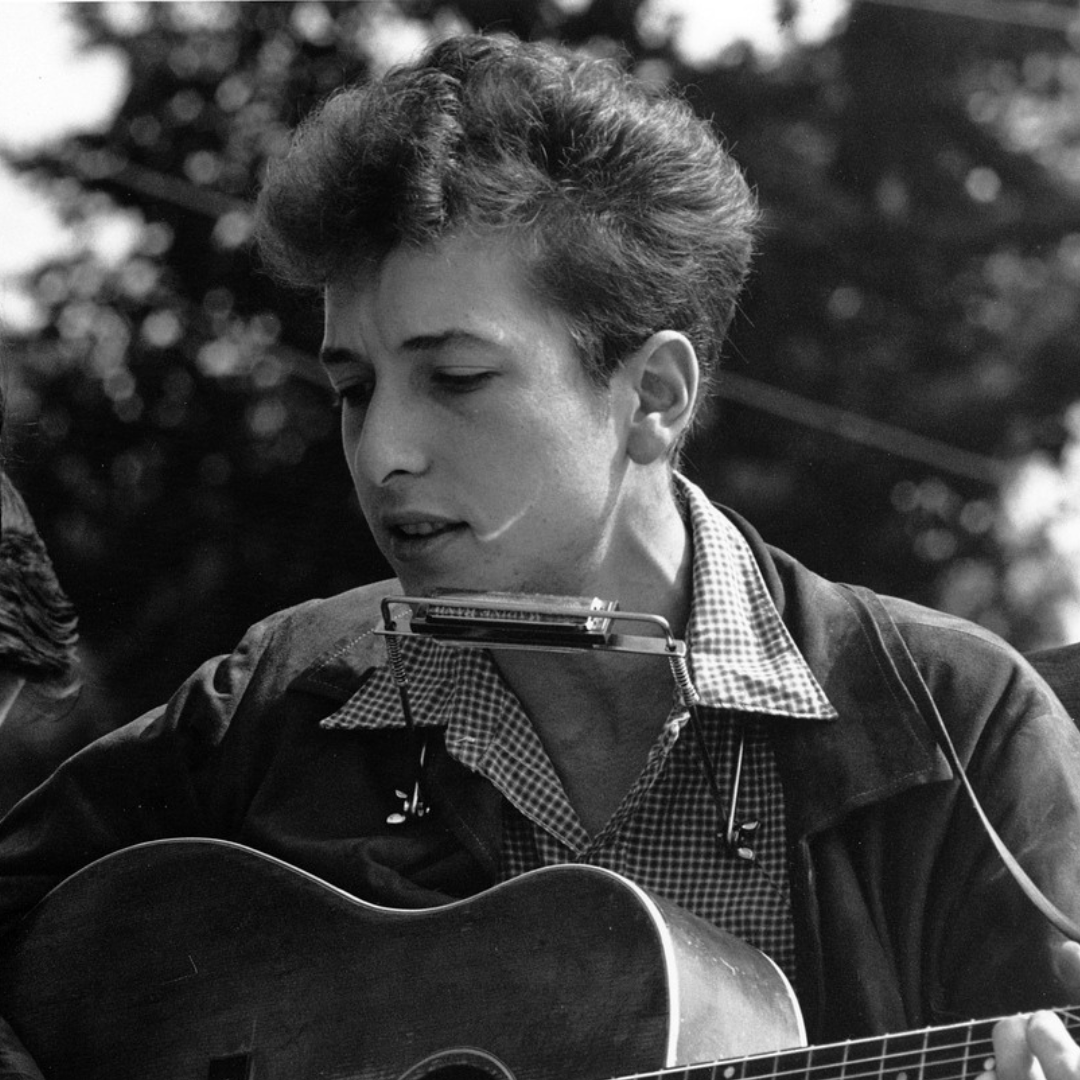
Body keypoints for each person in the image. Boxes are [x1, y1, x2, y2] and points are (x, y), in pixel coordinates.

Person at [2, 32, 1080, 1079]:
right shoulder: (276, 698)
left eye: (456, 379)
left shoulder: (958, 723)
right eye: (353, 388)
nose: (382, 453)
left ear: (654, 396)